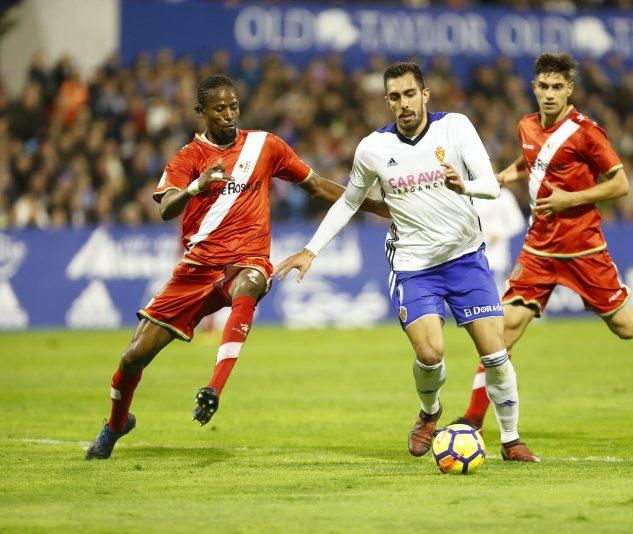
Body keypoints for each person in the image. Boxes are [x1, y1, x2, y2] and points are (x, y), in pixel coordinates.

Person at [85, 74, 388, 460]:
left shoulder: (265, 145)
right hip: (196, 269)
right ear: (201, 112)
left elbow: (316, 185)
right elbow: (165, 208)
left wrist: (377, 207)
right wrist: (197, 186)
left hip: (246, 259)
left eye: (233, 107)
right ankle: (115, 424)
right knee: (132, 358)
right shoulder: (188, 158)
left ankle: (214, 388)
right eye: (219, 109)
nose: (228, 115)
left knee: (251, 280)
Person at [450, 53, 633, 435]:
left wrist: (568, 199)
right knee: (501, 331)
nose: (550, 94)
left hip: (583, 249)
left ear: (569, 89)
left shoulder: (586, 131)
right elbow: (532, 162)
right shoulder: (526, 125)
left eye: (558, 87)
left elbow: (620, 183)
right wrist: (504, 176)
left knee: (627, 325)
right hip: (539, 249)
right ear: (533, 88)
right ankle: (474, 418)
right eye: (544, 87)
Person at [274, 62, 539, 462]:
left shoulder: (456, 128)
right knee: (431, 354)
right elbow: (350, 200)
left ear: (425, 94)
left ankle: (511, 439)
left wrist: (463, 184)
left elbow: (489, 184)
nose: (403, 104)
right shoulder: (373, 149)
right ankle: (430, 413)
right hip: (414, 266)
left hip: (466, 258)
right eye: (395, 97)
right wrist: (312, 249)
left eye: (410, 94)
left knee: (495, 354)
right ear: (387, 102)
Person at [472, 188, 526, 294]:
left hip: (496, 257)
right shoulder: (467, 194)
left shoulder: (503, 195)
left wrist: (499, 234)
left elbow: (518, 223)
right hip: (472, 258)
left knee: (496, 297)